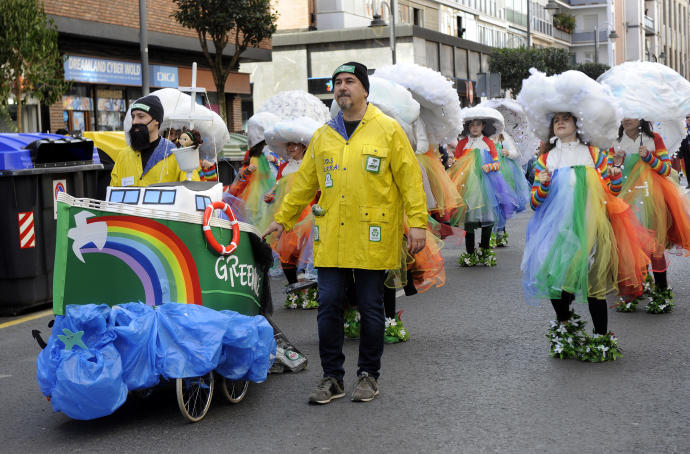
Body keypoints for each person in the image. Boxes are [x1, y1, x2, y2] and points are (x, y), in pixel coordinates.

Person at [262, 62, 428, 404]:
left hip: (373, 235)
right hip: (333, 236)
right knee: (329, 307)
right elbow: (304, 185)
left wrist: (419, 224)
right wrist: (283, 219)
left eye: (349, 81)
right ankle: (332, 378)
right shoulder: (324, 136)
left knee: (370, 308)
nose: (342, 87)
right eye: (337, 82)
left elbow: (410, 181)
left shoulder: (388, 130)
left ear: (365, 90)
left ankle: (368, 374)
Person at [518, 69, 654, 362]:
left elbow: (613, 190)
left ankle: (601, 337)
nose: (561, 123)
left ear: (577, 124)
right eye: (556, 120)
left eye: (566, 118)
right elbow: (535, 202)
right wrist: (540, 185)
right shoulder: (545, 159)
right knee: (557, 280)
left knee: (595, 284)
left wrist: (616, 175)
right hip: (556, 230)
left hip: (592, 228)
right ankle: (565, 326)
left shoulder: (595, 155)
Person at [610, 118, 690, 313]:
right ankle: (632, 289)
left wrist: (650, 158)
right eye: (624, 114)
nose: (626, 119)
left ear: (641, 117)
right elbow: (610, 174)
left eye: (631, 114)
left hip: (651, 200)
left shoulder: (654, 139)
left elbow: (666, 170)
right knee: (628, 246)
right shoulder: (615, 142)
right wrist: (616, 164)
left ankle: (662, 292)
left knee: (656, 247)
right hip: (624, 202)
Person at [110, 95, 198, 186]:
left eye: (140, 116)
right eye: (133, 117)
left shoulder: (178, 154)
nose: (134, 122)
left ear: (156, 120)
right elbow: (112, 194)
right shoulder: (123, 156)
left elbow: (192, 190)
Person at [677, 114, 690, 188]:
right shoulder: (684, 128)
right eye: (687, 117)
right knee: (688, 167)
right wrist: (680, 151)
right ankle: (689, 182)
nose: (689, 119)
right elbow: (680, 139)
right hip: (686, 150)